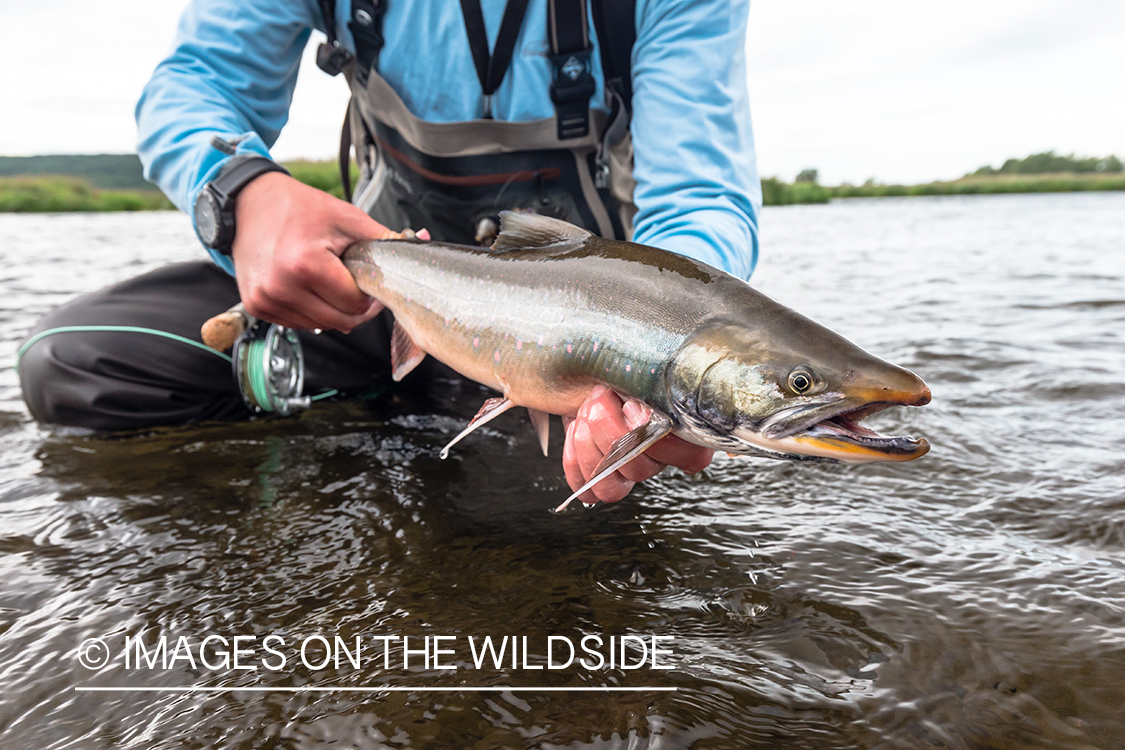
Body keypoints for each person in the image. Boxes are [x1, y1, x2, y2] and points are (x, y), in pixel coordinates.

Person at [18, 0, 761, 505]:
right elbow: (193, 85)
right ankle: (389, 399)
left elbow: (699, 198)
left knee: (536, 517)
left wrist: (657, 362)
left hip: (576, 350)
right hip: (372, 296)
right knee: (74, 361)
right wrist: (243, 193)